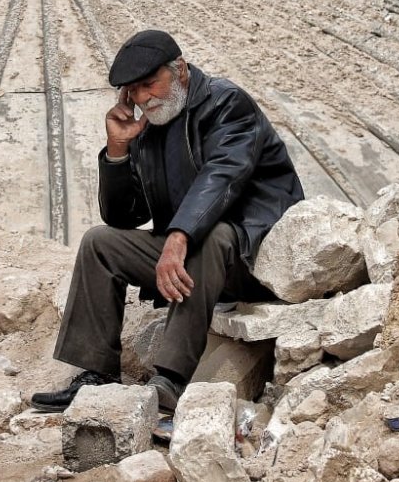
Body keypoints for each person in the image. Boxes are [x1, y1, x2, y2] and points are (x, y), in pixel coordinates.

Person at [30, 29, 304, 414]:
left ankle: (170, 381)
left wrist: (178, 237)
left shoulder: (227, 104)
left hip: (253, 255)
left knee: (211, 234)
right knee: (99, 243)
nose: (143, 98)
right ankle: (97, 375)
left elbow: (221, 177)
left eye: (149, 84)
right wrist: (118, 150)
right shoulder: (150, 127)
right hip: (195, 256)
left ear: (180, 70)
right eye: (133, 91)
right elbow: (125, 215)